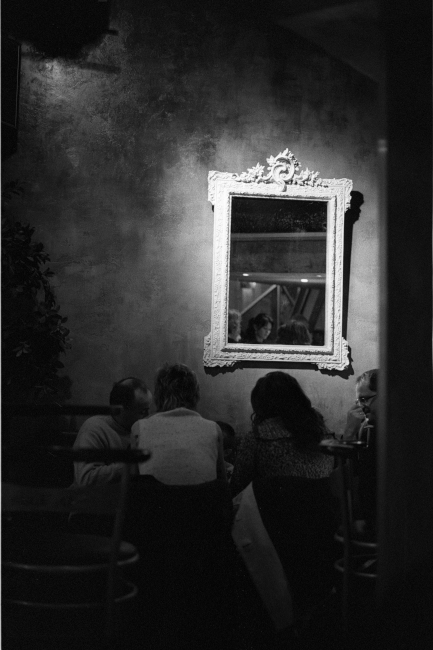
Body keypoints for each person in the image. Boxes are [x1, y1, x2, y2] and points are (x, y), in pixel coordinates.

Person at [230, 371, 334, 497]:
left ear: (260, 405)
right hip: (321, 506)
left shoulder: (257, 438)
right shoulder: (323, 434)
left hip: (275, 508)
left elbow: (237, 487)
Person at [132, 363, 227, 484]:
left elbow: (132, 484)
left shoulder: (139, 428)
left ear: (158, 394)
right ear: (195, 394)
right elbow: (222, 484)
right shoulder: (213, 429)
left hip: (154, 496)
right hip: (202, 496)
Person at [73, 377, 152, 486]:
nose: (148, 416)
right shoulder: (94, 428)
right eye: (143, 411)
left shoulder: (141, 428)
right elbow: (86, 479)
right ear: (121, 410)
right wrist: (133, 465)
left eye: (148, 410)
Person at [343, 368, 379, 530]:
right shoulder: (366, 427)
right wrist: (350, 432)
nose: (361, 407)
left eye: (364, 399)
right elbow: (354, 474)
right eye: (358, 401)